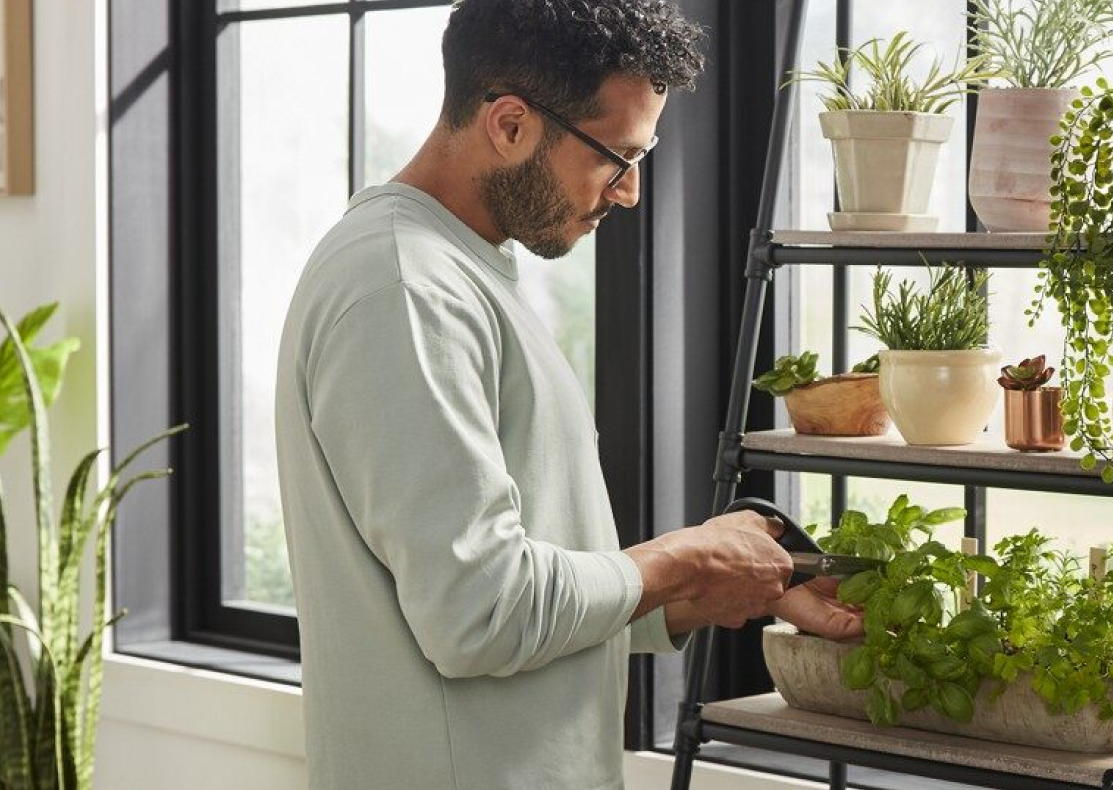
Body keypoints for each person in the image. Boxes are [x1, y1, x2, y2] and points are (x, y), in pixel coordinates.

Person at [273, 2, 863, 789]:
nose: (630, 192)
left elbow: (520, 599)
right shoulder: (406, 289)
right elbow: (481, 614)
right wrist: (683, 556)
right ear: (510, 124)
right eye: (618, 157)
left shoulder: (461, 271)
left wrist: (709, 583)